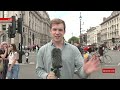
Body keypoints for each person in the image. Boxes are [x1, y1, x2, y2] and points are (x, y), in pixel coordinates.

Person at [36, 18, 100, 79]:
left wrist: (85, 72)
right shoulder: (42, 50)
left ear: (64, 32)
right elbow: (39, 70)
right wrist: (46, 76)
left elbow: (80, 71)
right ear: (50, 31)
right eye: (54, 29)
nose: (57, 33)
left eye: (60, 30)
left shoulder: (74, 50)